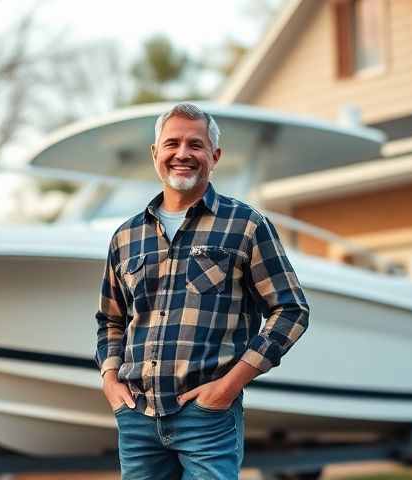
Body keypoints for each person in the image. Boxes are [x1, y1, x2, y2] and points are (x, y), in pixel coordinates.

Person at [95, 102, 310, 479]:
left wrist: (228, 387)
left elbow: (291, 310)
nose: (182, 154)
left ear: (214, 155)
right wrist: (111, 381)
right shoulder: (126, 236)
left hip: (207, 418)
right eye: (172, 143)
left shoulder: (245, 225)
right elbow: (111, 319)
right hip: (137, 419)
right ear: (155, 154)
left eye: (195, 145)